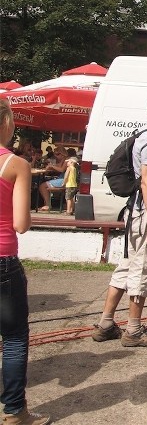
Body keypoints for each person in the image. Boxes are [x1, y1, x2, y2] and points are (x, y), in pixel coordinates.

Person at [91, 95, 147, 347]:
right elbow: (146, 181)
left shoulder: (146, 134)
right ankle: (133, 330)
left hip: (136, 211)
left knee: (127, 266)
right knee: (143, 268)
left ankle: (106, 324)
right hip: (145, 212)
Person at [0, 98, 52, 425]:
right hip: (3, 258)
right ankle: (14, 412)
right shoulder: (15, 164)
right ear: (6, 122)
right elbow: (21, 223)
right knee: (14, 337)